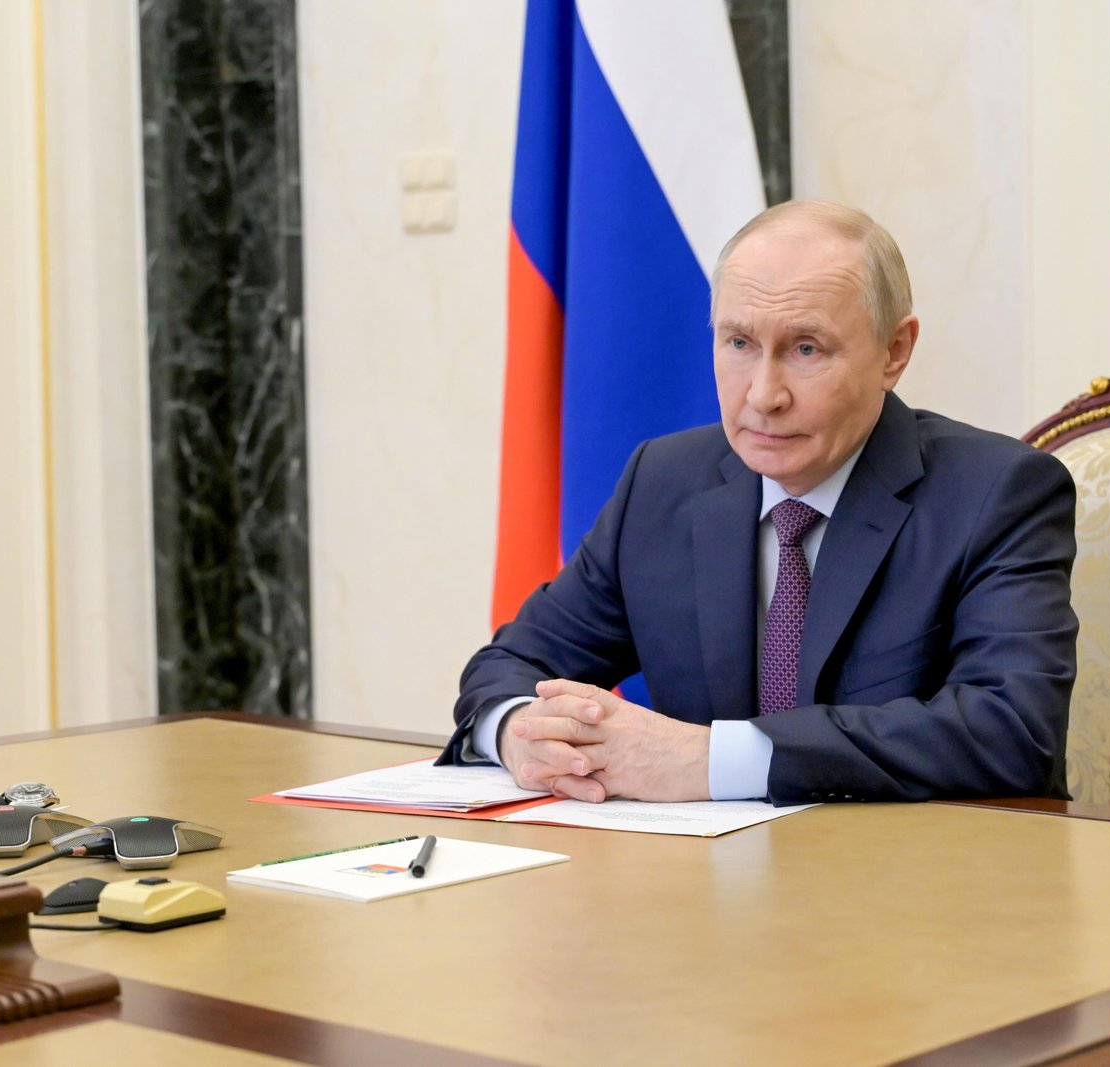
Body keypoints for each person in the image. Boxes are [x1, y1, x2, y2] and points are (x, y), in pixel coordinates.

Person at [439, 200, 1077, 806]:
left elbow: (1012, 733)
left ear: (894, 352)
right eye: (739, 343)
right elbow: (513, 663)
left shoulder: (998, 493)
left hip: (917, 872)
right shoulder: (663, 482)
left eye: (806, 349)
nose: (764, 395)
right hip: (700, 875)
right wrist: (521, 733)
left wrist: (708, 760)